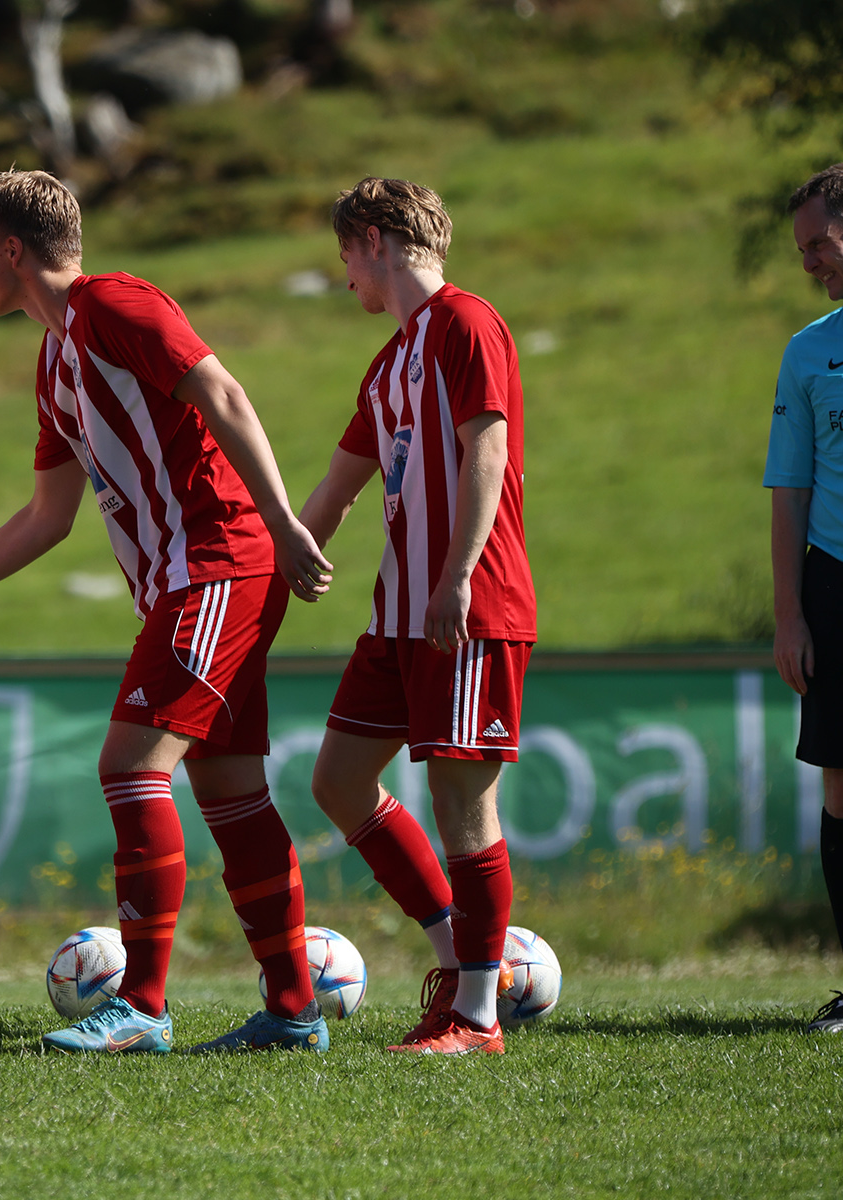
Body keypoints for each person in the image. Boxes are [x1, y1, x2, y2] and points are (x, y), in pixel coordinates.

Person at [0, 169, 335, 1055]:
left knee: (129, 765)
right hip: (189, 580)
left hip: (219, 563)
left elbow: (222, 394)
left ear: (11, 249)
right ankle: (294, 1010)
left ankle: (143, 1007)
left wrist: (281, 521)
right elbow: (48, 516)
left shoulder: (113, 304)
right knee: (228, 790)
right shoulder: (54, 359)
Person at [297, 177, 535, 1056]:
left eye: (345, 258)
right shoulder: (391, 357)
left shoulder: (467, 323)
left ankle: (477, 1017)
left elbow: (488, 447)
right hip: (398, 616)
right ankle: (460, 962)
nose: (345, 278)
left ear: (373, 241)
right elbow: (337, 489)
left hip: (463, 608)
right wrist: (280, 559)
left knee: (463, 800)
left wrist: (458, 576)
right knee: (338, 780)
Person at [769, 166, 843, 1035]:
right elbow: (788, 489)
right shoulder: (807, 351)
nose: (809, 263)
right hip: (834, 586)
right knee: (841, 788)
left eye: (818, 243)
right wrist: (790, 613)